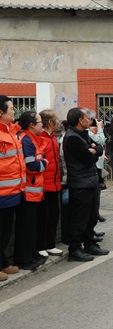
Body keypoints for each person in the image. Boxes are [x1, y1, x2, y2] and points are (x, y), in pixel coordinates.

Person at [62, 108, 108, 262]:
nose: (89, 120)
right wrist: (94, 152)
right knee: (79, 218)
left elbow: (99, 148)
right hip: (80, 182)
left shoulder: (83, 134)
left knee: (91, 216)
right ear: (80, 120)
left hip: (90, 180)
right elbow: (89, 158)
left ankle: (90, 244)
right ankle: (75, 249)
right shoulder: (72, 138)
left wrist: (94, 150)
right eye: (86, 117)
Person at [13, 111, 47, 271]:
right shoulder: (26, 140)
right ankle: (24, 259)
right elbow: (31, 166)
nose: (42, 125)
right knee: (25, 228)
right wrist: (45, 163)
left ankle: (32, 254)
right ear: (32, 125)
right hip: (27, 192)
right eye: (40, 122)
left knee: (32, 227)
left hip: (34, 192)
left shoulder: (33, 139)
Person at [0, 96, 25, 281]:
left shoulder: (11, 132)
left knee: (6, 230)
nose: (14, 111)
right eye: (11, 108)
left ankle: (3, 263)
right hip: (1, 192)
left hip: (12, 191)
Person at [37, 109, 64, 258]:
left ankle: (50, 244)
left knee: (54, 215)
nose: (59, 122)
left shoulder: (53, 137)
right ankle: (41, 245)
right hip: (43, 185)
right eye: (57, 119)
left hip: (55, 182)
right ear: (49, 122)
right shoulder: (40, 138)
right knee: (43, 217)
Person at [86, 109, 107, 222]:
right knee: (94, 193)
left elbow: (98, 146)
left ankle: (95, 212)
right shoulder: (86, 132)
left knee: (97, 192)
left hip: (96, 164)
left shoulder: (88, 132)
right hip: (91, 166)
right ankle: (94, 214)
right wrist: (100, 128)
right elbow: (101, 141)